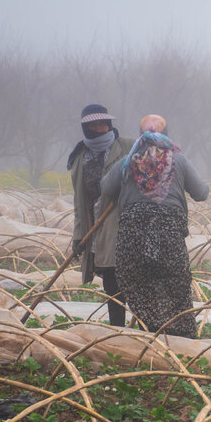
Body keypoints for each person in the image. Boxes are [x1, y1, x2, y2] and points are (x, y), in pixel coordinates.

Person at [99, 115, 207, 337]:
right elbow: (201, 193)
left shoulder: (128, 162)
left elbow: (106, 187)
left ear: (141, 136)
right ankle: (180, 340)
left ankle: (150, 335)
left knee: (140, 286)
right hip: (168, 233)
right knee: (175, 285)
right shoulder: (179, 160)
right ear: (167, 135)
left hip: (132, 234)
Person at [68, 104, 130, 327]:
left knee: (127, 275)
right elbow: (79, 200)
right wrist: (78, 236)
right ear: (85, 127)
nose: (100, 128)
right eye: (93, 125)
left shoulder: (127, 147)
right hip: (96, 224)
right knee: (111, 280)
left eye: (103, 124)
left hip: (124, 222)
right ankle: (118, 330)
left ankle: (144, 332)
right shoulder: (79, 158)